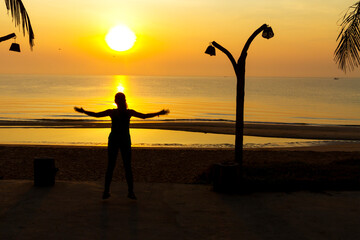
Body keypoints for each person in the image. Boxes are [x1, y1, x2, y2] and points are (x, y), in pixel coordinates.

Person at [74, 92, 169, 200]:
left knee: (112, 166)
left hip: (116, 140)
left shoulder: (114, 112)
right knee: (126, 166)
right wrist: (159, 113)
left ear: (115, 102)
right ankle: (129, 192)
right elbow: (144, 116)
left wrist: (84, 111)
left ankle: (108, 191)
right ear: (124, 101)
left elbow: (96, 115)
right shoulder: (127, 112)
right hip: (123, 140)